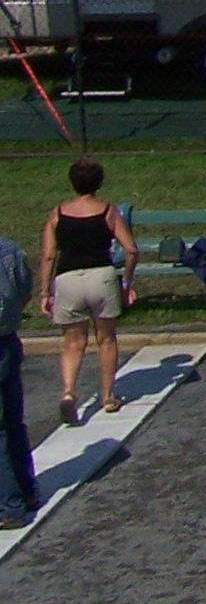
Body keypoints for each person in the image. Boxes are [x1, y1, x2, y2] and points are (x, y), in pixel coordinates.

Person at [38, 157, 138, 428]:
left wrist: (45, 292)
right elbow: (131, 249)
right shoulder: (107, 211)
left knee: (73, 342)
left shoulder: (58, 213)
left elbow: (48, 256)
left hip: (68, 279)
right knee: (106, 339)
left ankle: (69, 392)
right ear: (99, 183)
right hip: (101, 277)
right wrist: (127, 282)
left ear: (72, 182)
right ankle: (108, 396)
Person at [0, 227, 36, 528]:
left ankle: (9, 506)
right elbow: (25, 293)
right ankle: (27, 490)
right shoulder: (11, 250)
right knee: (13, 421)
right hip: (7, 340)